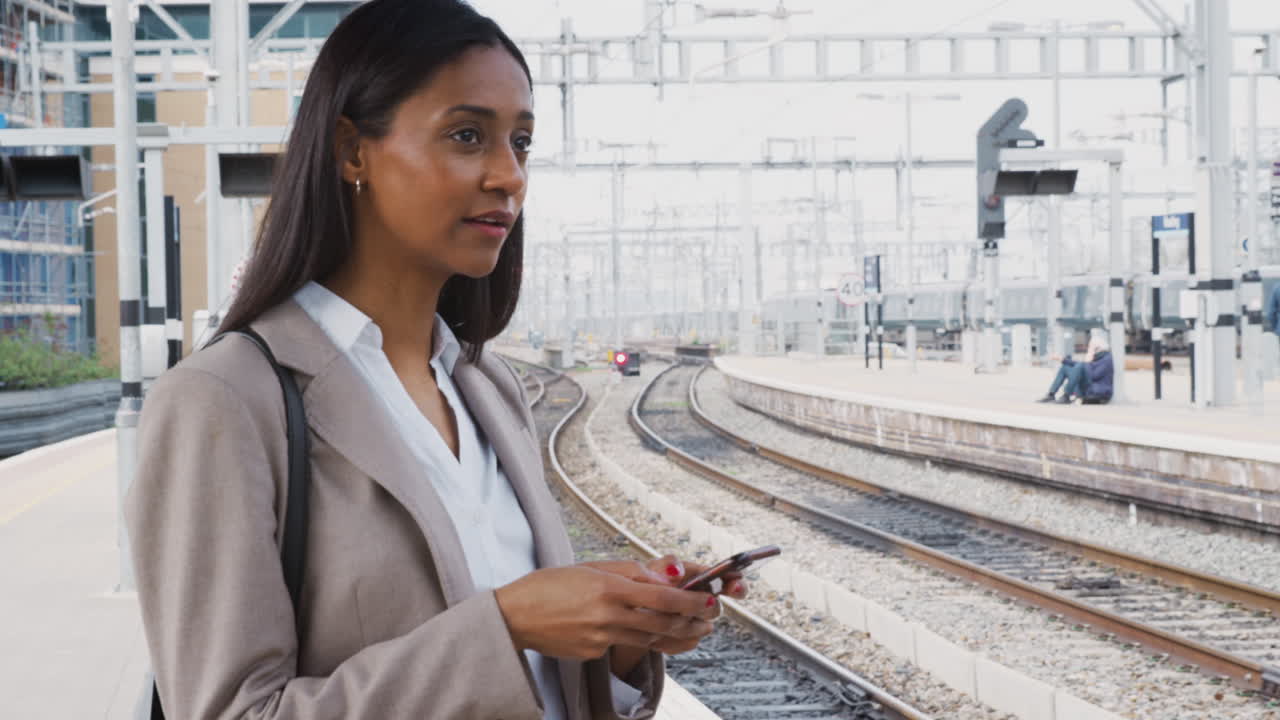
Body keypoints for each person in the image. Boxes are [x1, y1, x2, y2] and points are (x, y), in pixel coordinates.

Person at [126, 2, 739, 718]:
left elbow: (537, 685)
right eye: (467, 135)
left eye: (522, 143)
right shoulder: (225, 399)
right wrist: (507, 624)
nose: (508, 175)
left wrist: (624, 639)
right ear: (352, 150)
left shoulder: (487, 388)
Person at [1036, 336, 1114, 404]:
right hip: (1089, 388)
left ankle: (1067, 395)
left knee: (1080, 365)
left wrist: (1087, 362)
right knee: (1065, 367)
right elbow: (1081, 366)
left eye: (1091, 347)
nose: (1089, 349)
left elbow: (1094, 376)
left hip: (1097, 392)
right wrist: (1063, 359)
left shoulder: (1107, 360)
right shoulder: (1096, 357)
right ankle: (1051, 394)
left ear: (1097, 348)